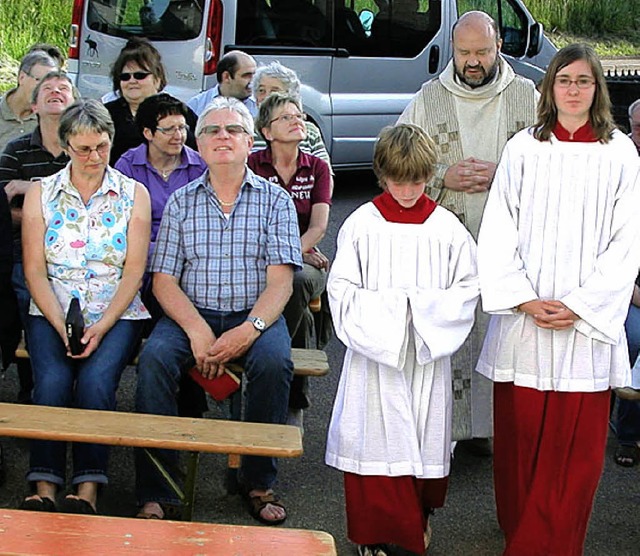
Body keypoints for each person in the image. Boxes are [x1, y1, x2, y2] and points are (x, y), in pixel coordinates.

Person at [475, 44, 640, 555]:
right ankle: (522, 529)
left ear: (598, 89)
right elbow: (498, 229)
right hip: (526, 320)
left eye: (583, 81)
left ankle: (549, 544)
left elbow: (626, 240)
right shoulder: (524, 148)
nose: (573, 89)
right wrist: (524, 299)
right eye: (564, 79)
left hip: (585, 325)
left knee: (576, 453)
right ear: (549, 87)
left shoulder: (619, 154)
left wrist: (583, 306)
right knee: (522, 441)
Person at [134, 97, 302, 524]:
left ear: (250, 141)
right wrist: (197, 332)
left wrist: (248, 330)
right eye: (212, 130)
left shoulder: (276, 201)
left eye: (232, 130)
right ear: (199, 144)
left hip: (256, 313)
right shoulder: (180, 202)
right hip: (193, 314)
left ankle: (258, 481)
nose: (222, 136)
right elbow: (163, 281)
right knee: (153, 360)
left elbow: (281, 282)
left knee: (274, 362)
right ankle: (157, 488)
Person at [325, 123, 479, 556]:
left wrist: (422, 314)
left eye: (416, 180)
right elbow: (341, 291)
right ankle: (372, 537)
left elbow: (468, 287)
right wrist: (397, 315)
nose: (408, 190)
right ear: (381, 173)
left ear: (429, 174)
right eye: (398, 180)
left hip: (425, 357)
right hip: (377, 360)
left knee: (422, 443)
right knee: (374, 445)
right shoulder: (361, 224)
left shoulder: (447, 228)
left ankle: (416, 524)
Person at [397, 10, 538, 452]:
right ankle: (451, 432)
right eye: (463, 53)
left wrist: (505, 171)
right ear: (452, 51)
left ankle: (494, 433)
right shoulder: (428, 98)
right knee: (452, 335)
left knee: (502, 336)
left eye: (482, 52)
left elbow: (552, 165)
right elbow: (396, 162)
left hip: (511, 248)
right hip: (447, 248)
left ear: (499, 47)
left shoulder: (527, 96)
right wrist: (442, 175)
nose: (472, 62)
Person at [20, 99, 151, 514]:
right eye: (83, 149)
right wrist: (60, 325)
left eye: (101, 146)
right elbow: (34, 270)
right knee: (52, 385)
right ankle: (44, 483)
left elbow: (134, 272)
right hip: (52, 307)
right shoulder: (42, 193)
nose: (94, 156)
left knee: (96, 385)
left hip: (117, 309)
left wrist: (102, 324)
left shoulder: (134, 194)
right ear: (65, 147)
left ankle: (89, 488)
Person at [248, 93, 332, 429]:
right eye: (286, 117)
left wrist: (291, 254)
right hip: (259, 256)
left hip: (302, 259)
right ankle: (274, 382)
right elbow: (248, 223)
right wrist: (280, 256)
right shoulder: (252, 165)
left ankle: (289, 394)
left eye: (299, 116)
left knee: (294, 284)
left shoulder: (317, 167)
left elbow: (320, 226)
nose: (298, 121)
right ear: (267, 131)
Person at [0, 70, 78, 404]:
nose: (56, 91)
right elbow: (4, 215)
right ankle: (33, 392)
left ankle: (68, 390)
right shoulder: (15, 152)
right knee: (24, 292)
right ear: (33, 105)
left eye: (64, 88)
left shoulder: (86, 149)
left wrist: (31, 192)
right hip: (23, 255)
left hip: (77, 256)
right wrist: (55, 213)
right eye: (47, 88)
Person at [104, 37, 198, 165]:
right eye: (125, 77)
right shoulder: (105, 115)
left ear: (157, 79)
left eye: (140, 75)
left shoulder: (178, 110)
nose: (132, 81)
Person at [251, 61, 332, 171]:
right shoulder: (246, 130)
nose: (266, 96)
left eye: (274, 91)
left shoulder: (308, 130)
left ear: (290, 96)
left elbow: (325, 173)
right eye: (261, 90)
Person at [0, 50, 59, 152]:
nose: (44, 89)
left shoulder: (50, 119)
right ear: (21, 78)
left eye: (50, 85)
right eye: (39, 81)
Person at [187, 50, 257, 117]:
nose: (253, 81)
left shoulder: (259, 105)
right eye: (247, 76)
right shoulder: (196, 105)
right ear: (226, 77)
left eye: (255, 75)